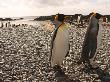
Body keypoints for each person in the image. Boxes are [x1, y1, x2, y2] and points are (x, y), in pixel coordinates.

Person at [49, 14, 70, 78]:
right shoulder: (58, 29)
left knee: (61, 54)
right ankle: (54, 64)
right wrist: (51, 52)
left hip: (62, 48)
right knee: (56, 53)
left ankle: (58, 65)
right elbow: (52, 42)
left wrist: (68, 46)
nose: (66, 19)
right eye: (64, 18)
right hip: (56, 49)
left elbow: (67, 39)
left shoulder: (64, 27)